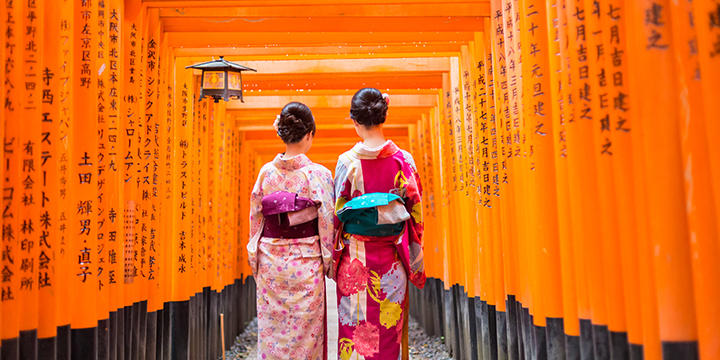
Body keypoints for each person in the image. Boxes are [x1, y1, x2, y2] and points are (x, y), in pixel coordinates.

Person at [333, 88, 426, 360]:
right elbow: (415, 214)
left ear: (355, 121)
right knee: (388, 331)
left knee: (353, 331)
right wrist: (414, 254)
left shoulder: (346, 162)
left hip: (355, 262)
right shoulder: (403, 160)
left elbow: (337, 214)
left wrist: (333, 258)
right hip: (391, 261)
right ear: (383, 116)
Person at [247, 102, 335, 360]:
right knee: (307, 335)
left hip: (271, 266)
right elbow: (327, 224)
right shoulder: (319, 175)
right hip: (306, 267)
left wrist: (256, 262)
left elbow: (256, 222)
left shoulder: (266, 174)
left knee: (273, 334)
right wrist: (329, 263)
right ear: (309, 135)